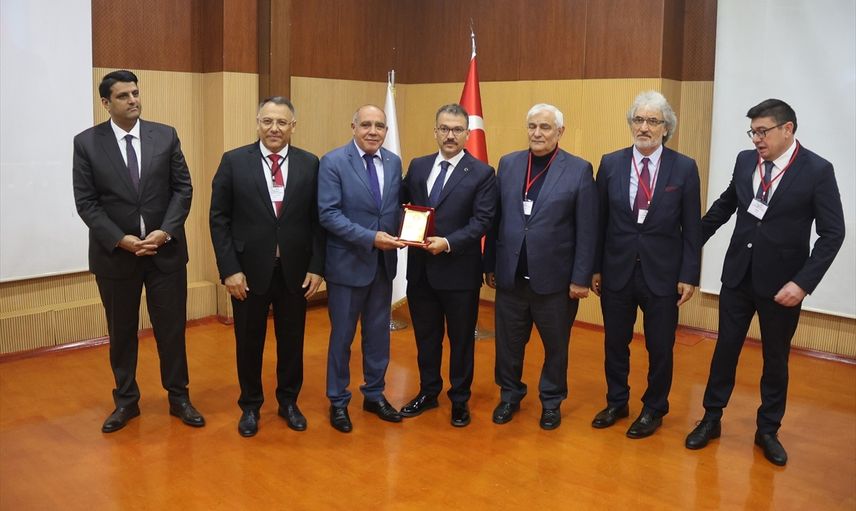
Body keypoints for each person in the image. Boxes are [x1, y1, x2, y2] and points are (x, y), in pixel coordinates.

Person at [685, 99, 845, 466]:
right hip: (738, 277)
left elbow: (833, 233)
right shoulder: (745, 161)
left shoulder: (817, 170)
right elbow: (725, 207)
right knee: (725, 350)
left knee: (775, 358)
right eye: (753, 132)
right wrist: (687, 245)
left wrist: (802, 284)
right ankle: (711, 418)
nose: (757, 139)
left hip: (782, 286)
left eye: (763, 131)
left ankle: (768, 429)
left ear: (788, 129)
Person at [72, 69, 204, 432]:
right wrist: (120, 239)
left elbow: (183, 188)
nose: (133, 100)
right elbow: (86, 202)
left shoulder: (165, 135)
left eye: (135, 93)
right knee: (122, 333)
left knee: (171, 330)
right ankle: (126, 402)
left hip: (165, 253)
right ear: (106, 103)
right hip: (116, 256)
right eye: (123, 96)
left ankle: (179, 397)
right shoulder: (87, 143)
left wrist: (166, 231)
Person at [210, 97, 324, 437]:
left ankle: (288, 402)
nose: (274, 128)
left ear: (293, 126)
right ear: (258, 123)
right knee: (248, 342)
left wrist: (317, 267)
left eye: (282, 122)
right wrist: (229, 269)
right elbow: (219, 219)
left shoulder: (310, 163)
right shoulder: (233, 161)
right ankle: (250, 405)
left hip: (295, 271)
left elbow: (319, 221)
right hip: (247, 272)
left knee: (292, 341)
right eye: (268, 121)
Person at [589, 91, 702, 438]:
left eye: (653, 121)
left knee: (660, 347)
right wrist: (595, 268)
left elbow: (691, 228)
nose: (644, 127)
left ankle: (654, 407)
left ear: (666, 128)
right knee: (615, 343)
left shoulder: (684, 167)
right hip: (617, 270)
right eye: (638, 120)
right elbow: (598, 221)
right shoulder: (610, 163)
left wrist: (689, 275)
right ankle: (617, 401)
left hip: (663, 275)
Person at [484, 103, 598, 430]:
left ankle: (551, 401)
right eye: (532, 126)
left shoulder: (578, 170)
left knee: (556, 347)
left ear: (560, 132)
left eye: (545, 127)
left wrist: (581, 278)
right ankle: (509, 395)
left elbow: (587, 230)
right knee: (508, 344)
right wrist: (490, 264)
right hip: (511, 277)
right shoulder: (508, 164)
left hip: (555, 282)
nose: (537, 133)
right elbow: (496, 220)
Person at [399, 104, 497, 427]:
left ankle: (459, 399)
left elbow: (482, 220)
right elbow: (402, 204)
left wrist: (448, 242)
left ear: (467, 134)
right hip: (420, 272)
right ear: (435, 131)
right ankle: (428, 392)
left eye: (457, 130)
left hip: (459, 272)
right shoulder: (418, 166)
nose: (450, 135)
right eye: (444, 129)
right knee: (426, 338)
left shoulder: (482, 173)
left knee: (461, 340)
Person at [317, 105, 406, 433]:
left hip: (382, 266)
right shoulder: (333, 162)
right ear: (353, 127)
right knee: (342, 337)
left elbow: (393, 209)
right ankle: (338, 400)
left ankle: (374, 394)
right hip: (347, 265)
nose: (373, 131)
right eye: (366, 124)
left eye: (379, 126)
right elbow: (328, 214)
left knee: (378, 335)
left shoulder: (393, 162)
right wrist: (371, 238)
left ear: (386, 131)